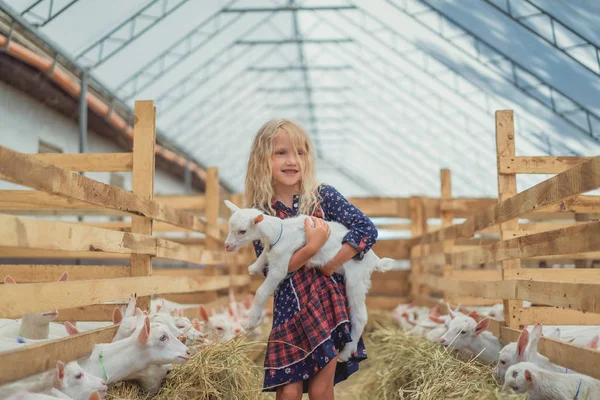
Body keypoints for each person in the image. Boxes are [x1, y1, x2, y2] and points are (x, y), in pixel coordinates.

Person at [245, 118, 378, 400]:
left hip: (326, 305)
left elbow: (367, 229)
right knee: (288, 391)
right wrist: (310, 248)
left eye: (300, 153)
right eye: (281, 152)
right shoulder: (260, 213)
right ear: (262, 158)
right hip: (288, 310)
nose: (292, 160)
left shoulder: (323, 197)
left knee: (321, 389)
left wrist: (331, 264)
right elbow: (270, 268)